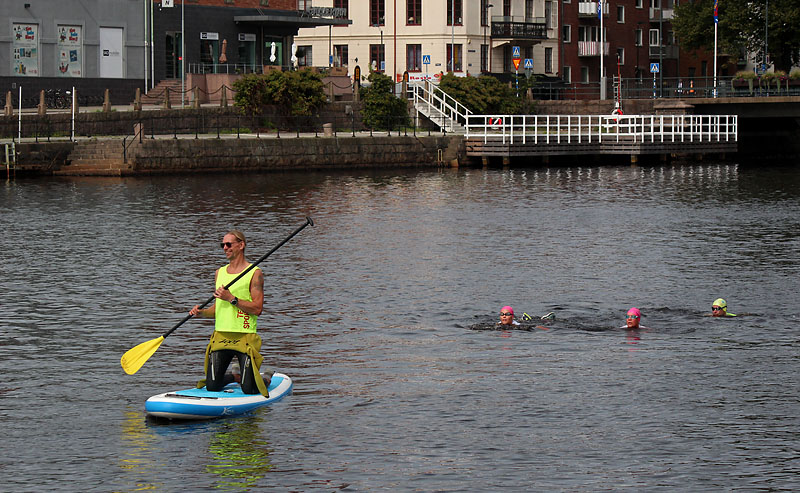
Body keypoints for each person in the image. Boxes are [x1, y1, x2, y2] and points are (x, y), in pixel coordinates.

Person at [189, 230, 270, 395]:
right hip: (221, 337)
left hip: (244, 337)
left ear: (241, 245)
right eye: (222, 245)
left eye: (229, 244)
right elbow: (218, 310)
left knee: (249, 389)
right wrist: (202, 313)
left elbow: (257, 309)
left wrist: (231, 298)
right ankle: (235, 376)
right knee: (212, 386)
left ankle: (266, 378)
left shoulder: (255, 273)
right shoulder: (219, 273)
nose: (225, 248)